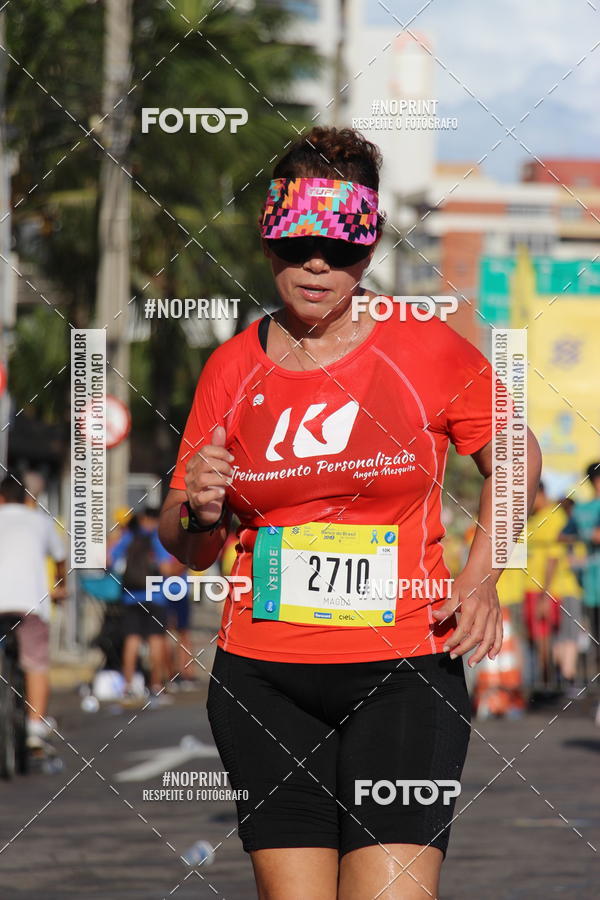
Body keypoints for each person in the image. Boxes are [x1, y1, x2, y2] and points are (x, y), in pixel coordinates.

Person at [159, 127, 542, 899]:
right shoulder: (230, 367)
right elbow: (189, 546)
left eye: (340, 251)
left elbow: (518, 457)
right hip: (263, 681)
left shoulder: (424, 348)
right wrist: (199, 508)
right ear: (269, 238)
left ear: (367, 253)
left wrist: (481, 574)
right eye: (297, 243)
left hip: (404, 672)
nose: (316, 265)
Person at [0, 472, 67, 748]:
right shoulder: (40, 521)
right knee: (36, 664)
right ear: (26, 498)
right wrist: (59, 587)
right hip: (30, 605)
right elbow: (61, 559)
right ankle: (34, 729)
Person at [108, 506, 177, 698]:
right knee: (156, 639)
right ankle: (155, 685)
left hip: (130, 596)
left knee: (132, 640)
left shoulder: (129, 536)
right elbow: (165, 569)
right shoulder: (158, 538)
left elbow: (110, 559)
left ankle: (128, 686)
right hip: (156, 596)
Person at [524, 483, 583, 690]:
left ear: (539, 492)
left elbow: (553, 558)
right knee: (543, 638)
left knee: (553, 638)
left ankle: (552, 684)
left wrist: (544, 595)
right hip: (532, 588)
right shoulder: (534, 518)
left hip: (548, 590)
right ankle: (549, 683)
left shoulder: (554, 517)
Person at [561, 462, 600, 669]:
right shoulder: (585, 510)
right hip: (591, 588)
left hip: (590, 587)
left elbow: (563, 536)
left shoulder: (580, 510)